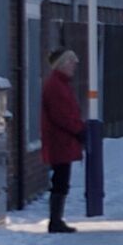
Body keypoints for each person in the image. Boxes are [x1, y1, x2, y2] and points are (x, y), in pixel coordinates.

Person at [39, 48, 84, 230]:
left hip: (63, 139)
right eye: (71, 61)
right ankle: (55, 221)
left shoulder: (61, 84)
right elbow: (61, 115)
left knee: (62, 179)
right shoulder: (57, 86)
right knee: (60, 180)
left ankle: (57, 219)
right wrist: (79, 129)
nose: (75, 65)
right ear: (63, 63)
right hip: (60, 140)